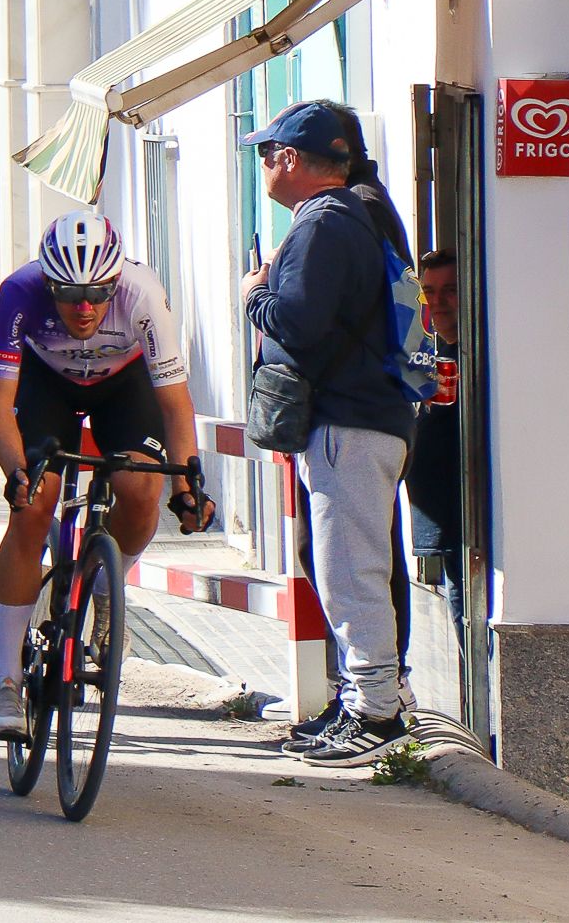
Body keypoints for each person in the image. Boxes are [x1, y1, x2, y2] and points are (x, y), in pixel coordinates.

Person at [0, 210, 214, 736]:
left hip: (121, 386)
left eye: (99, 292)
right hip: (48, 382)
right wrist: (16, 472)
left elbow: (175, 403)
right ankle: (6, 679)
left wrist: (187, 484)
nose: (84, 307)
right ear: (47, 282)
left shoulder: (142, 292)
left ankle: (106, 587)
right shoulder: (19, 292)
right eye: (68, 293)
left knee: (140, 484)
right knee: (36, 501)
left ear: (116, 279)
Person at [241, 101, 417, 767]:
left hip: (348, 418)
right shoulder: (369, 208)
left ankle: (375, 713)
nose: (262, 164)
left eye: (267, 152)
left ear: (290, 159)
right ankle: (377, 695)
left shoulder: (323, 219)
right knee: (363, 557)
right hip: (381, 413)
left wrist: (254, 292)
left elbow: (300, 320)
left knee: (350, 567)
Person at [405, 248, 464, 646]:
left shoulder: (484, 353)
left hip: (470, 519)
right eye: (430, 292)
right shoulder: (426, 354)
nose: (439, 301)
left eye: (451, 290)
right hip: (443, 518)